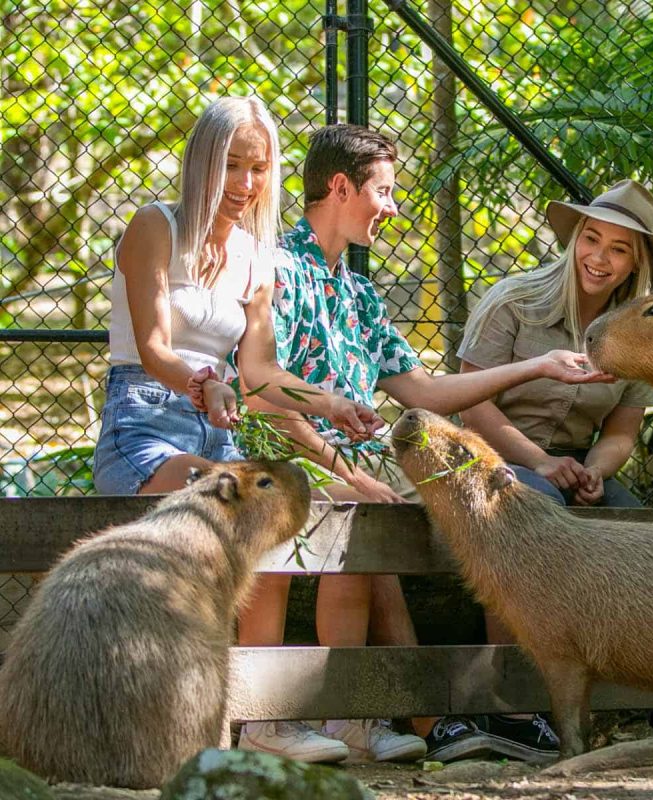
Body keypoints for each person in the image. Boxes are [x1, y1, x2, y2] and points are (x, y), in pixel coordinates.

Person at [235, 123, 615, 764]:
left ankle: (502, 707)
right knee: (363, 513)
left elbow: (421, 392)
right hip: (295, 449)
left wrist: (537, 366)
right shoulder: (276, 268)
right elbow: (263, 400)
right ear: (339, 185)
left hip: (366, 450)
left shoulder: (355, 290)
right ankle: (354, 713)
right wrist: (349, 471)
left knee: (502, 495)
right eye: (383, 191)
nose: (391, 207)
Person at [92, 96, 380, 764]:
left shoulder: (257, 256)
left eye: (257, 168)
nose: (245, 185)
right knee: (228, 505)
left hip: (218, 430)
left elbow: (257, 372)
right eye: (231, 165)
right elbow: (157, 346)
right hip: (143, 421)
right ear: (202, 163)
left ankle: (263, 726)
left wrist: (330, 402)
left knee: (273, 505)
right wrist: (203, 382)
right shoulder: (153, 227)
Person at [457, 179, 653, 739]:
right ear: (575, 242)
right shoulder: (514, 300)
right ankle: (511, 706)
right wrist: (542, 462)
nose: (600, 257)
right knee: (529, 509)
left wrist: (597, 469)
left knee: (649, 529)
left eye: (618, 249)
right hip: (491, 458)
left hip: (575, 465)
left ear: (633, 262)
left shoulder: (644, 331)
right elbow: (472, 406)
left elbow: (622, 429)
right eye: (592, 240)